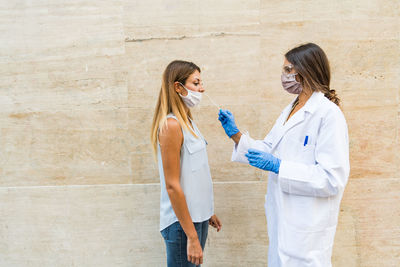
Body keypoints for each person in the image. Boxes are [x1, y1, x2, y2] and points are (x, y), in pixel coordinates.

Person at [218, 43, 350, 267]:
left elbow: (332, 179)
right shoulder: (290, 109)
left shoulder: (328, 114)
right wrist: (236, 135)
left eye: (288, 70)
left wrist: (281, 167)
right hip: (283, 219)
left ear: (305, 70)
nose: (284, 76)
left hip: (308, 225)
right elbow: (269, 148)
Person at [151, 60, 222, 267]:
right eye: (196, 82)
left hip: (196, 217)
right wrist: (191, 237)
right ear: (178, 87)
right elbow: (172, 186)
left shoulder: (188, 123)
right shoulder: (171, 126)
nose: (202, 88)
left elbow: (194, 173)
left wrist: (207, 211)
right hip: (181, 225)